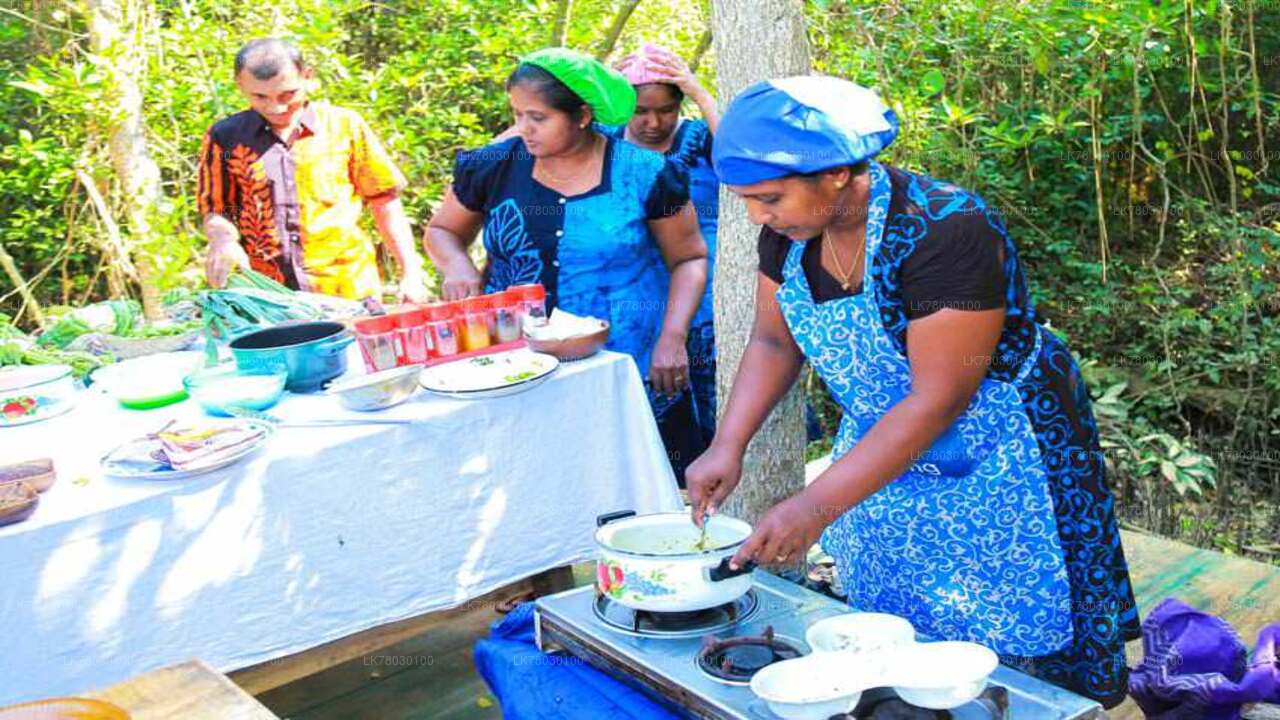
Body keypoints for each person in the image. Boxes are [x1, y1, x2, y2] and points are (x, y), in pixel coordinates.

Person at [686, 76, 1140, 707]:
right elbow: (773, 342)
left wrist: (814, 506)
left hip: (998, 449)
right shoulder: (790, 235)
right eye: (746, 200)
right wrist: (726, 445)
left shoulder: (944, 227)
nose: (758, 216)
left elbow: (939, 398)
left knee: (1006, 621)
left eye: (769, 197)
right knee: (897, 614)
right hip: (884, 449)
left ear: (839, 173)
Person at [425, 47, 708, 478]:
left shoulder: (645, 173)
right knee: (530, 475)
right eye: (518, 115)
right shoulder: (494, 165)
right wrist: (458, 266)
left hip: (628, 359)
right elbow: (443, 231)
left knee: (632, 475)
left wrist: (672, 337)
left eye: (538, 118)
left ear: (581, 115)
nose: (524, 129)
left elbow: (688, 258)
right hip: (514, 360)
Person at [198, 38, 427, 302]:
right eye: (260, 97)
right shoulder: (225, 138)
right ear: (240, 85)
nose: (277, 107)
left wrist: (410, 271)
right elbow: (218, 208)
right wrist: (223, 240)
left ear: (307, 76)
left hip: (346, 288)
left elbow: (384, 201)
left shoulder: (344, 126)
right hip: (269, 297)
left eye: (288, 94)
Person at [606, 43, 720, 446]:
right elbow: (517, 142)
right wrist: (598, 85)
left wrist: (698, 91)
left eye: (666, 110)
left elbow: (744, 157)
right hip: (636, 292)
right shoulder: (606, 142)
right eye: (640, 111)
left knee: (714, 398)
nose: (653, 122)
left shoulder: (698, 138)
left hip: (706, 286)